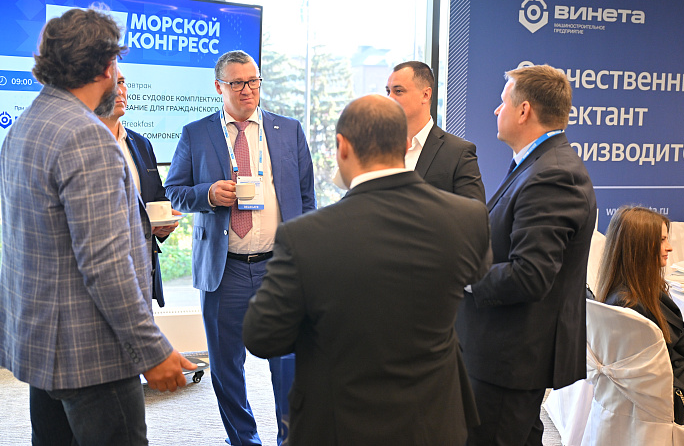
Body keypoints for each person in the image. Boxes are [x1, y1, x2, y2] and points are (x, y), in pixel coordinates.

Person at [243, 94, 492, 446]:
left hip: (338, 423)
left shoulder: (304, 237)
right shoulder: (468, 218)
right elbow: (476, 278)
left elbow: (262, 336)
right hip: (436, 420)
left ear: (342, 146)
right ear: (405, 144)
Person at [0, 7, 194, 446]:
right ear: (106, 67)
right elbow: (105, 265)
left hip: (43, 343)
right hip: (91, 354)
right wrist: (152, 351)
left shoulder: (27, 124)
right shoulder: (87, 137)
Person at [164, 50, 316, 446]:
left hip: (279, 266)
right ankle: (244, 441)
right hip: (224, 268)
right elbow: (174, 192)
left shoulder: (289, 130)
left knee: (288, 362)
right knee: (226, 366)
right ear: (219, 87)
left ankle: (290, 438)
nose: (247, 90)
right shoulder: (196, 133)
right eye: (237, 83)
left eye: (253, 81)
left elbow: (306, 198)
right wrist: (208, 194)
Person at [456, 64, 597, 445]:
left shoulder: (553, 174)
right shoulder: (537, 164)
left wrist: (462, 276)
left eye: (503, 102)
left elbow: (530, 275)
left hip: (509, 360)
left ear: (524, 111)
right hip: (504, 354)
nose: (496, 110)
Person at [598, 206, 684, 420]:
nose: (669, 247)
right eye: (661, 240)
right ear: (638, 246)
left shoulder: (628, 294)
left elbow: (682, 344)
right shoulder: (633, 305)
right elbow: (673, 358)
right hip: (676, 391)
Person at [96, 67, 180, 307]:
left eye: (122, 82)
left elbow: (156, 197)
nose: (120, 91)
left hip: (141, 269)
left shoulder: (141, 144)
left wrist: (163, 225)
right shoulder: (80, 144)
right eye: (112, 83)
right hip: (99, 271)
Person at [386, 60, 485, 201]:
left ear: (425, 95)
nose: (390, 98)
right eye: (388, 91)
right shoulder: (378, 149)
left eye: (398, 91)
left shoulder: (458, 152)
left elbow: (475, 211)